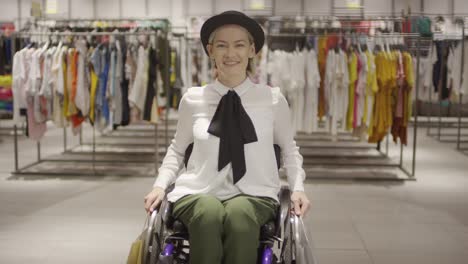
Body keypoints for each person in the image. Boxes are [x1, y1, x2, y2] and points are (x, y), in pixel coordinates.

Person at [144, 10, 310, 264]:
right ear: (210, 51)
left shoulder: (273, 100)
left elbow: (289, 150)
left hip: (257, 193)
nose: (230, 54)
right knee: (208, 212)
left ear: (252, 50)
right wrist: (159, 184)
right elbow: (178, 149)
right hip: (198, 191)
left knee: (239, 213)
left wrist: (298, 188)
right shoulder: (193, 99)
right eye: (221, 46)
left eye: (239, 45)